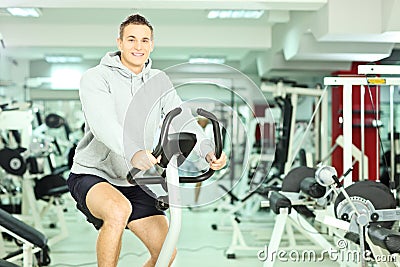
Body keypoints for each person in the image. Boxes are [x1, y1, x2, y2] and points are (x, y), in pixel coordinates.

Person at [66, 13, 227, 267]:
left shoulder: (158, 81)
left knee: (165, 253)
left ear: (151, 45)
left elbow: (181, 118)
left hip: (136, 180)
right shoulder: (96, 77)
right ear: (119, 43)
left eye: (144, 40)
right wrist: (132, 151)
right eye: (131, 39)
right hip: (94, 174)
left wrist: (207, 150)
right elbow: (103, 123)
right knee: (117, 211)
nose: (138, 46)